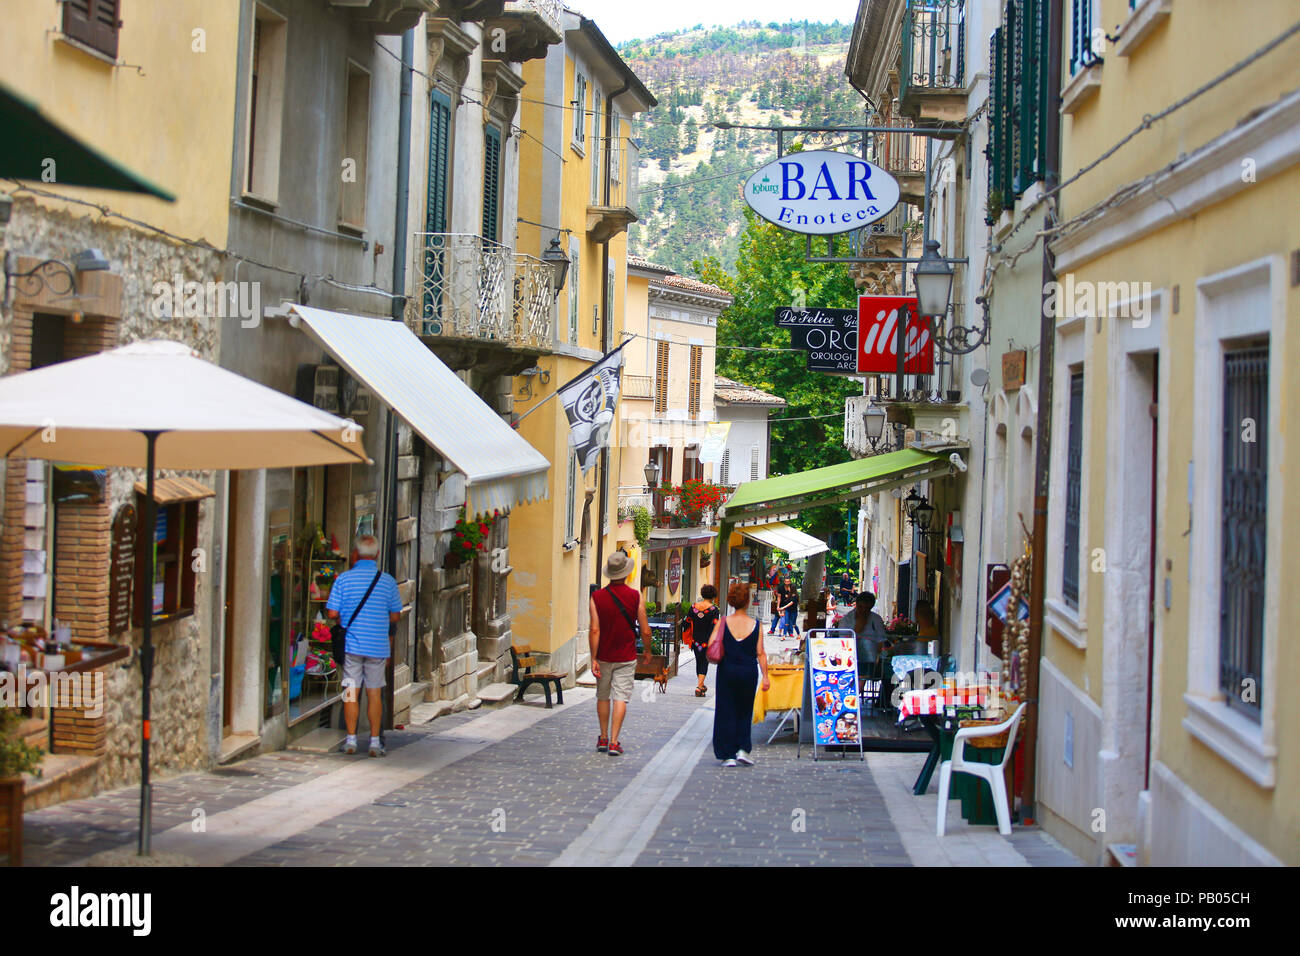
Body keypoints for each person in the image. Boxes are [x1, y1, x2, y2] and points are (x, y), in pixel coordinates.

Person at [327, 535, 402, 757]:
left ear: (356, 554)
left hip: (352, 647)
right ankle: (374, 742)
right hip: (378, 647)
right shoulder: (387, 581)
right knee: (374, 694)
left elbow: (332, 613)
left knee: (350, 692)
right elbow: (395, 616)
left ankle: (350, 740)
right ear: (377, 555)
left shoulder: (343, 579)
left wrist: (347, 619)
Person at [589, 551, 653, 756]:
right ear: (626, 573)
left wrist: (593, 658)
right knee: (620, 698)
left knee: (603, 696)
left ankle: (603, 737)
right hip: (626, 656)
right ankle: (615, 742)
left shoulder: (596, 597)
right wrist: (648, 651)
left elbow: (594, 630)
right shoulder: (635, 596)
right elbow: (645, 629)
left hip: (604, 656)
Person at [711, 581, 769, 767]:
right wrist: (766, 677)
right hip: (748, 671)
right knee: (745, 710)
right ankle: (743, 748)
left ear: (731, 601)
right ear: (747, 602)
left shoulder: (723, 622)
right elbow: (760, 652)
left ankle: (728, 754)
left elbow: (712, 643)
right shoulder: (756, 625)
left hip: (727, 670)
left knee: (726, 709)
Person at [687, 584, 721, 697]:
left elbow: (687, 622)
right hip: (707, 641)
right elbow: (715, 626)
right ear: (713, 596)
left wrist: (688, 638)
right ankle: (699, 686)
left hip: (695, 641)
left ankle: (701, 686)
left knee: (698, 661)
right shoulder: (714, 610)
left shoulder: (693, 607)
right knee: (704, 663)